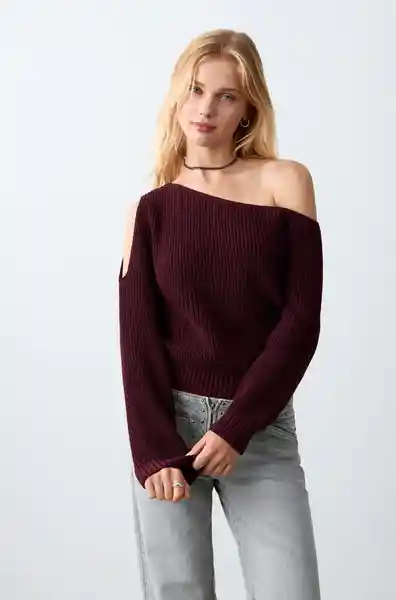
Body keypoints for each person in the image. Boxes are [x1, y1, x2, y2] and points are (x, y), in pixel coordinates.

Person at [118, 28, 323, 600]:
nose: (206, 108)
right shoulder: (149, 211)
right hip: (169, 426)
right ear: (177, 95)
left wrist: (236, 427)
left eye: (226, 95)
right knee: (179, 592)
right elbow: (138, 344)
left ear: (248, 108)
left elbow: (300, 322)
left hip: (259, 427)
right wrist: (153, 451)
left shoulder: (285, 182)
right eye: (196, 89)